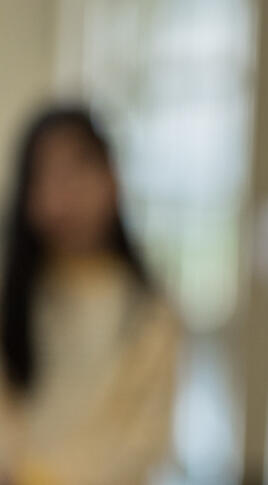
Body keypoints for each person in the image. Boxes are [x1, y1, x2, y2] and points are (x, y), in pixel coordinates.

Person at [0, 106, 180, 485]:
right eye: (43, 177)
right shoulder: (15, 294)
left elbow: (144, 438)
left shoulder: (150, 309)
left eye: (75, 173)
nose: (60, 196)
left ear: (111, 180)